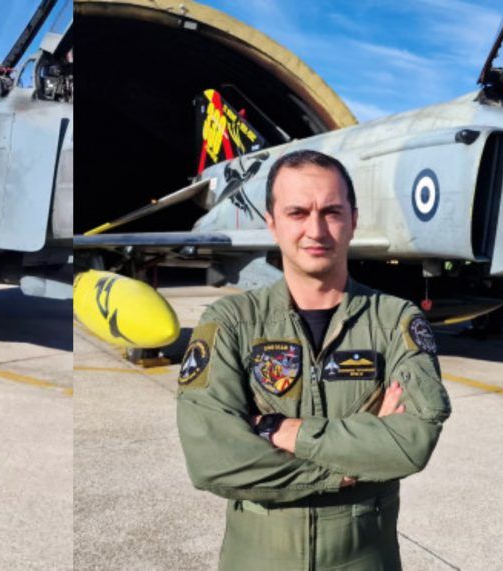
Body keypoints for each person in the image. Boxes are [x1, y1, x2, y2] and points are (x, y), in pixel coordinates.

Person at [177, 149, 451, 569]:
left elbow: (410, 443)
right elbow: (212, 459)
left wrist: (280, 431)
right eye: (298, 212)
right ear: (272, 222)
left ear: (353, 220)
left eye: (332, 212)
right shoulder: (231, 321)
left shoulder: (396, 320)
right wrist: (346, 469)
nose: (316, 229)